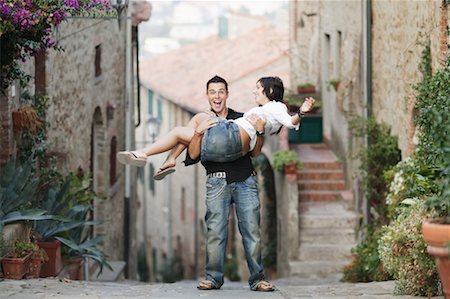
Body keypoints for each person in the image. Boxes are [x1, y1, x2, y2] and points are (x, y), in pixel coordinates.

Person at [116, 76, 315, 172]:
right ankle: (170, 159)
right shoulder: (267, 112)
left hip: (231, 135)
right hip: (232, 137)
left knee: (179, 131)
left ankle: (145, 153)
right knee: (198, 120)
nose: (254, 92)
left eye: (257, 88)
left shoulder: (276, 106)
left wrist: (301, 112)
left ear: (269, 91)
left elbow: (290, 122)